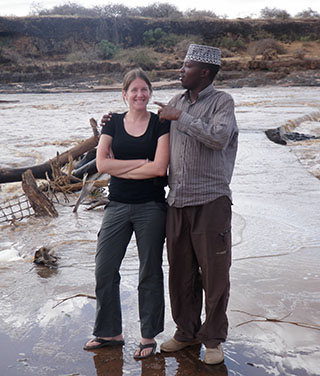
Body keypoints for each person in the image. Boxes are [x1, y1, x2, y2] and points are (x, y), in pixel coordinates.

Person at [155, 44, 238, 365]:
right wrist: (115, 123)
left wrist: (181, 117)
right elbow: (154, 135)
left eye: (185, 66)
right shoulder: (175, 101)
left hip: (211, 202)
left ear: (204, 72)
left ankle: (213, 339)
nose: (180, 70)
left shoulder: (222, 102)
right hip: (176, 202)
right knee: (181, 273)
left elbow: (218, 138)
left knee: (214, 274)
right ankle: (186, 332)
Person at [83, 68, 170, 360]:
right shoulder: (113, 123)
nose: (139, 94)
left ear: (150, 93)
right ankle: (110, 332)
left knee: (149, 271)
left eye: (144, 89)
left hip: (152, 207)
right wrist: (139, 165)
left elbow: (160, 169)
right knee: (104, 268)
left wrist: (122, 165)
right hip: (117, 205)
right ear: (124, 94)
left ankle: (148, 337)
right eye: (133, 90)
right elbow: (102, 165)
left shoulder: (160, 124)